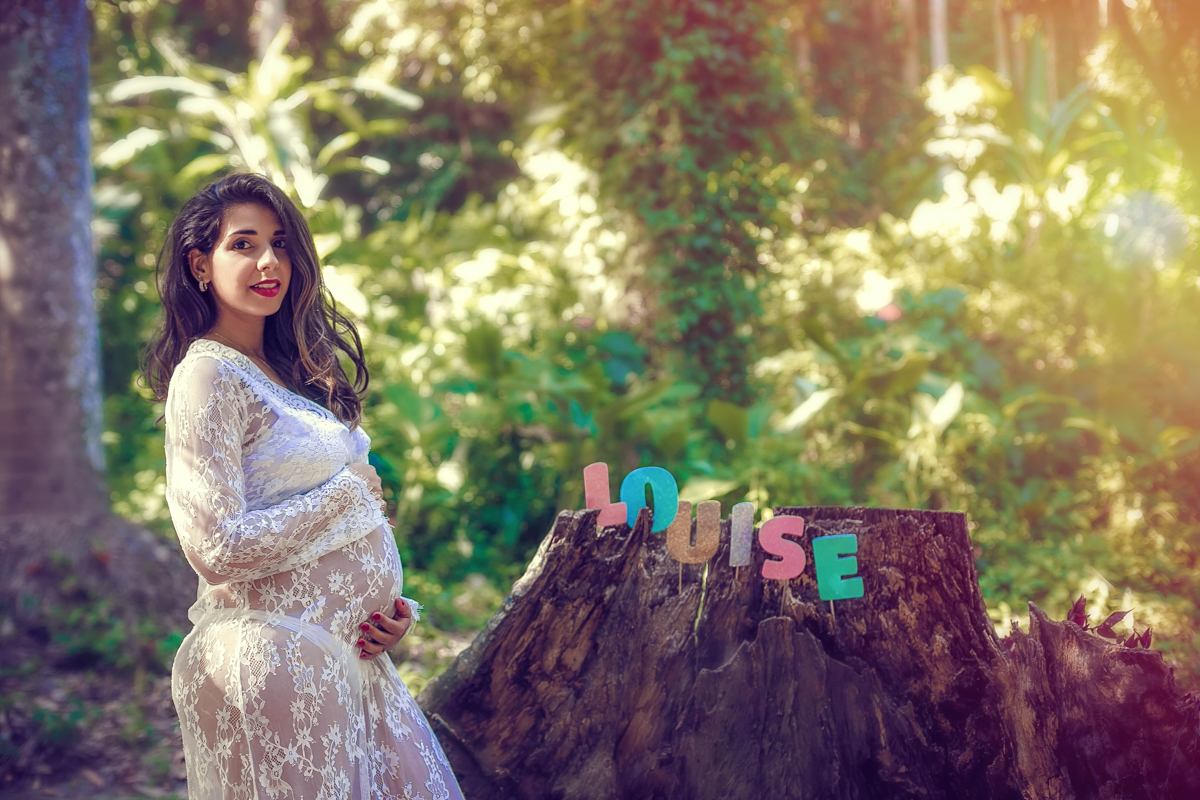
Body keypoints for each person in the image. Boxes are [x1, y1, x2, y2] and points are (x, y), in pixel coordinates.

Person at [143, 173, 464, 800]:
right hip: (273, 660)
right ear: (199, 264)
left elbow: (329, 525)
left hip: (345, 663)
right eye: (244, 244)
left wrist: (388, 612)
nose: (269, 262)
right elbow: (215, 546)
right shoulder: (206, 376)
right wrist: (349, 494)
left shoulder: (290, 373)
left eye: (281, 243)